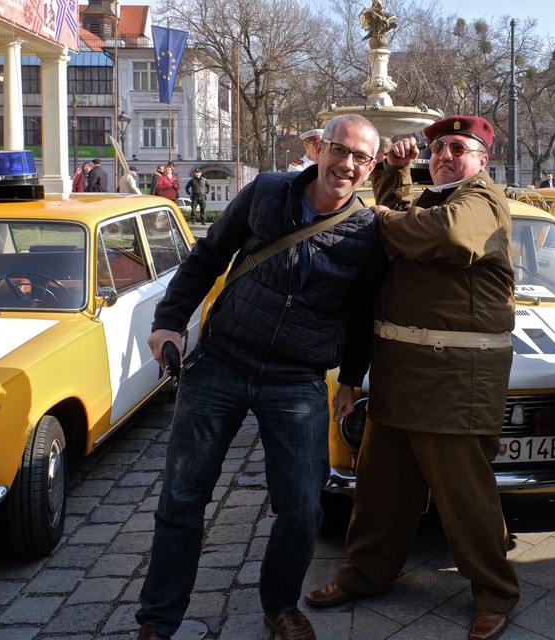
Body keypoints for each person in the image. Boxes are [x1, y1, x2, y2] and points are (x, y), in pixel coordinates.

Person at [134, 113, 386, 640]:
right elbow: (207, 256)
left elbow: (362, 313)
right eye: (340, 150)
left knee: (303, 508)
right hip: (222, 361)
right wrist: (169, 322)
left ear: (372, 166)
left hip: (296, 379)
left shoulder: (367, 232)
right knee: (183, 498)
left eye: (361, 158)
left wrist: (350, 379)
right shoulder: (267, 192)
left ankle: (280, 605)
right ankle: (158, 619)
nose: (347, 164)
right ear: (320, 148)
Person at [305, 115, 520, 640]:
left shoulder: (482, 199)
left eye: (458, 148)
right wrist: (396, 173)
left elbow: (443, 233)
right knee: (381, 486)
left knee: (464, 494)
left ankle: (495, 592)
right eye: (438, 148)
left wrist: (377, 215)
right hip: (401, 373)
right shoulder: (436, 197)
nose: (445, 155)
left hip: (456, 378)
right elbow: (411, 217)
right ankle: (365, 572)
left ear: (482, 160)